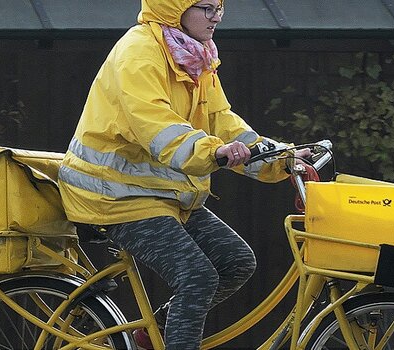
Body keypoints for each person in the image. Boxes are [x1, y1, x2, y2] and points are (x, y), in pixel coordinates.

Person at [58, 0, 306, 348]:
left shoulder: (195, 55)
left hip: (162, 193)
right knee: (198, 277)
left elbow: (222, 119)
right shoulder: (139, 51)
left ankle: (155, 331)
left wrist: (280, 157)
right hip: (115, 195)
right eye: (205, 7)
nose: (216, 16)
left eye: (219, 7)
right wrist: (212, 151)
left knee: (236, 262)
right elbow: (154, 123)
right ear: (172, 8)